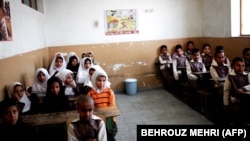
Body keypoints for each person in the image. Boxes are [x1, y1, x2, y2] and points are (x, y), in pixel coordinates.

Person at [87, 70, 117, 141]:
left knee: (110, 133)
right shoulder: (90, 93)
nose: (102, 83)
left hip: (108, 118)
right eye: (99, 80)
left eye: (104, 80)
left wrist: (113, 120)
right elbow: (89, 108)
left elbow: (112, 109)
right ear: (94, 80)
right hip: (95, 118)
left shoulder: (109, 92)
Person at [223, 57, 250, 124]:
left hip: (247, 98)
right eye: (238, 65)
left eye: (243, 66)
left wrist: (243, 88)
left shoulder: (247, 74)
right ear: (233, 66)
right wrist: (226, 104)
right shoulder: (230, 76)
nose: (241, 68)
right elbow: (226, 91)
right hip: (235, 99)